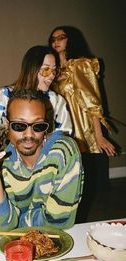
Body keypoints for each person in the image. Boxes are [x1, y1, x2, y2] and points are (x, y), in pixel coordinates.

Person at [0, 89, 83, 230]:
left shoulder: (63, 152)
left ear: (46, 128)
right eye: (19, 126)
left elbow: (58, 222)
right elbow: (2, 226)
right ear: (6, 126)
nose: (29, 134)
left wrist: (19, 221)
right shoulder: (3, 159)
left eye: (38, 126)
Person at [48, 26, 116, 221]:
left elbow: (92, 100)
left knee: (79, 179)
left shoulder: (80, 65)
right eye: (53, 39)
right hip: (61, 127)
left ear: (71, 40)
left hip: (80, 129)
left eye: (61, 37)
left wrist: (99, 135)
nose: (56, 41)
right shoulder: (53, 70)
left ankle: (77, 221)